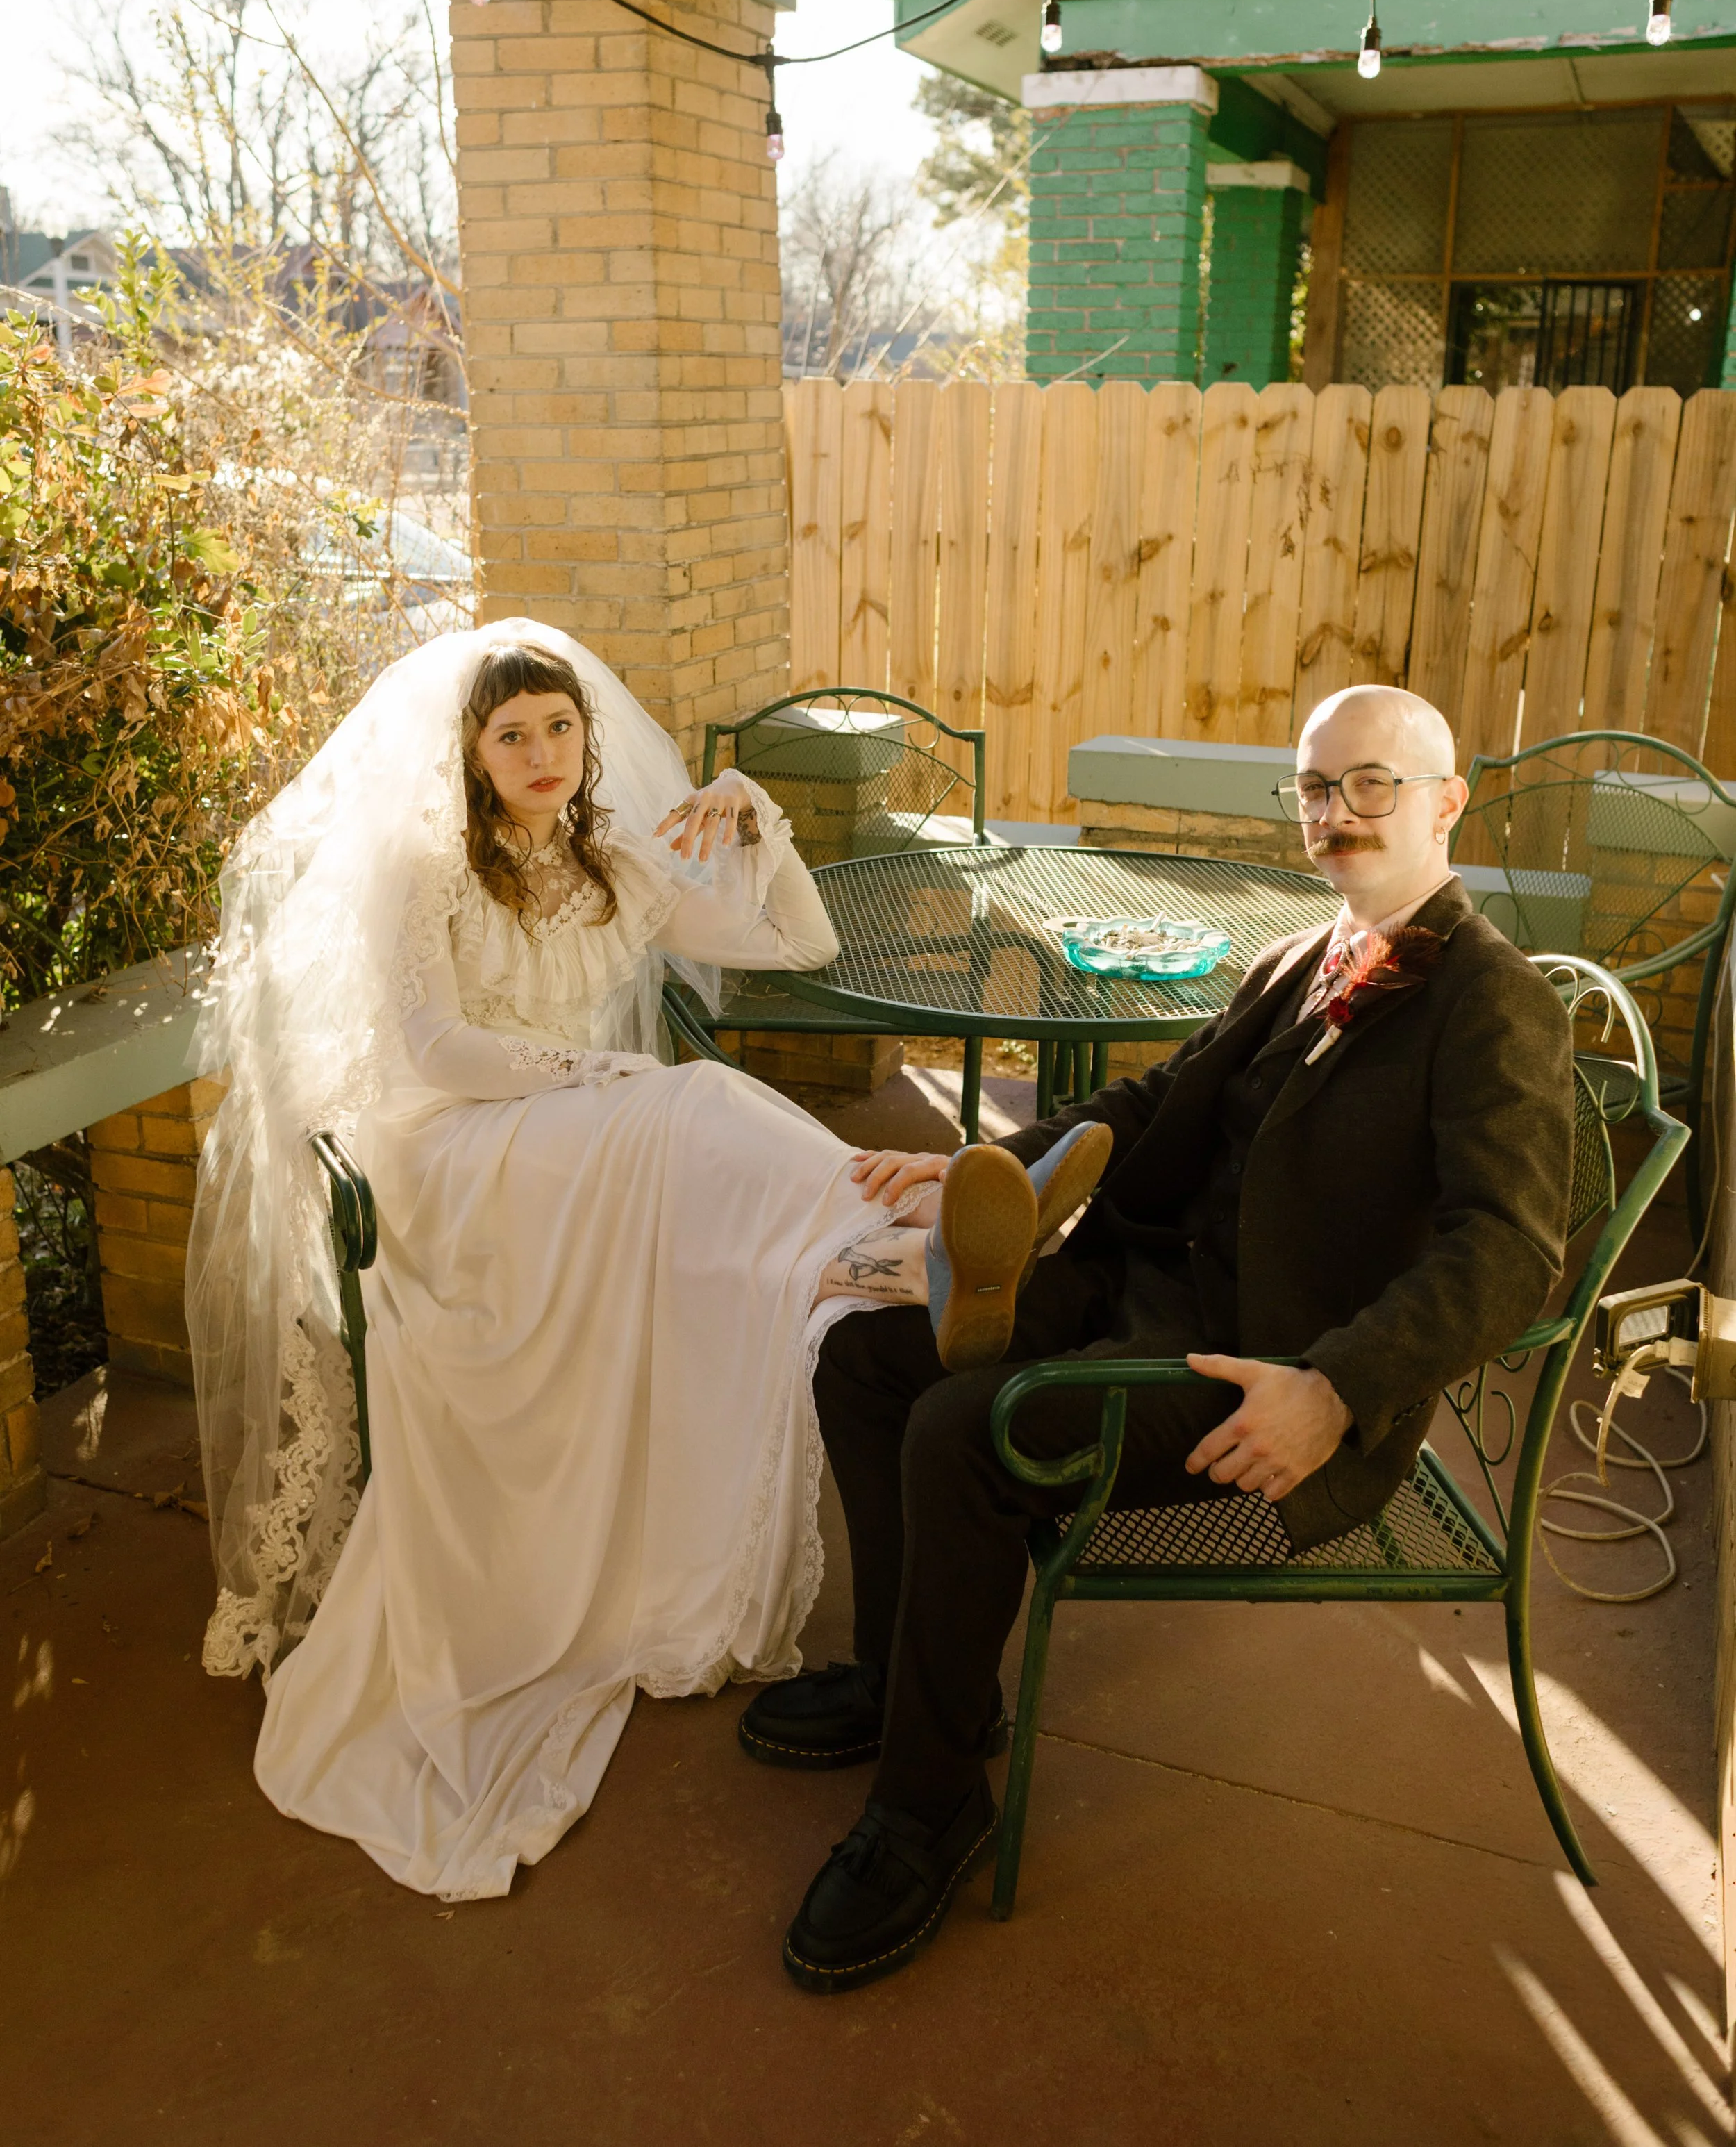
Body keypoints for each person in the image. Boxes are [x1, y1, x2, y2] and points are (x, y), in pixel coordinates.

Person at [187, 620, 1058, 1903]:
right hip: (452, 1156)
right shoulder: (425, 868)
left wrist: (757, 820)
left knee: (688, 1112)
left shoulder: (616, 862)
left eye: (559, 728)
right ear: (471, 754)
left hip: (570, 1138)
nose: (542, 752)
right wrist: (605, 1074)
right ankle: (900, 1243)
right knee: (687, 1102)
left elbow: (797, 944)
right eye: (512, 734)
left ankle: (887, 1250)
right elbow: (433, 1050)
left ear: (587, 740)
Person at [747, 682, 1576, 1995]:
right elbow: (1163, 1093)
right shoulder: (1305, 951)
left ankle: (931, 1803)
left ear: (1447, 800)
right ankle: (906, 1675)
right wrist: (1000, 1161)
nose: (1336, 813)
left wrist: (1336, 1387)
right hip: (1153, 1279)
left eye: (1372, 784)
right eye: (1315, 787)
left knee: (966, 1429)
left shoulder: (1494, 1003)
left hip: (1260, 1369)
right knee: (866, 1356)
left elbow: (1514, 1251)